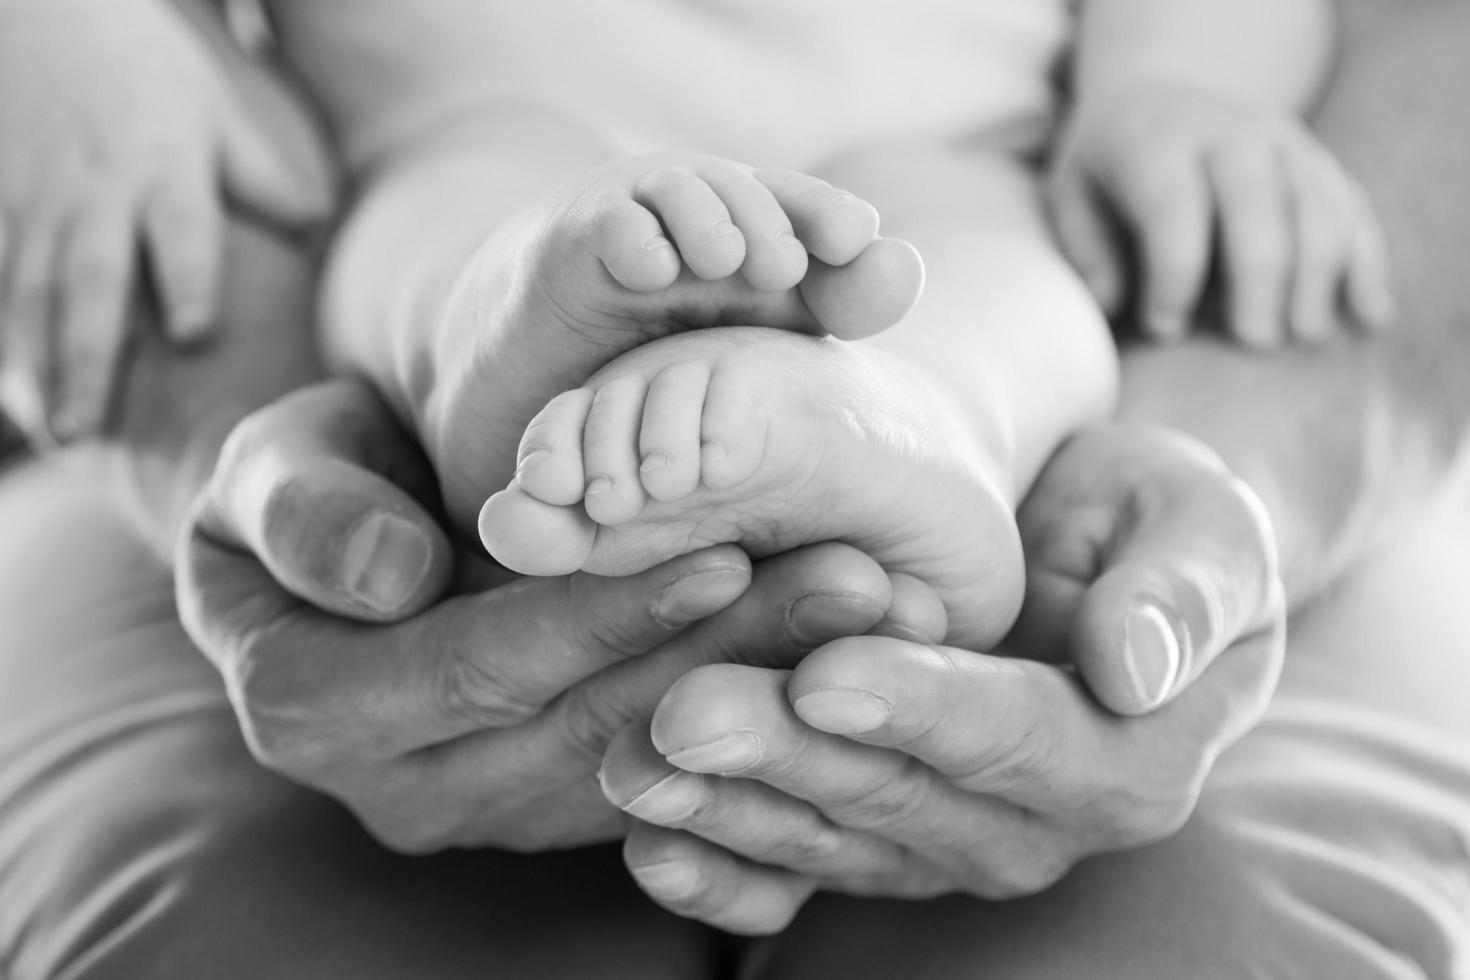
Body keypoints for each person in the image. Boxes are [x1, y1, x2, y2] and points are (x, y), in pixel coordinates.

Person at [1, 3, 1468, 979]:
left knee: (990, 267)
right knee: (449, 219)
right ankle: (491, 379)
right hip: (476, 118)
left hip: (945, 155)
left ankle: (909, 420)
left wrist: (1180, 89)